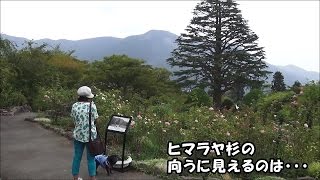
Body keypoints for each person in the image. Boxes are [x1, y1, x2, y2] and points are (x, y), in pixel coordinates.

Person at [71, 86, 99, 180]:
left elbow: (74, 119)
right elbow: (95, 119)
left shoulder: (74, 106)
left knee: (77, 157)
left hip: (78, 135)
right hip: (90, 136)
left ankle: (75, 178)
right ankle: (93, 178)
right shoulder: (92, 106)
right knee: (91, 159)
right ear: (88, 97)